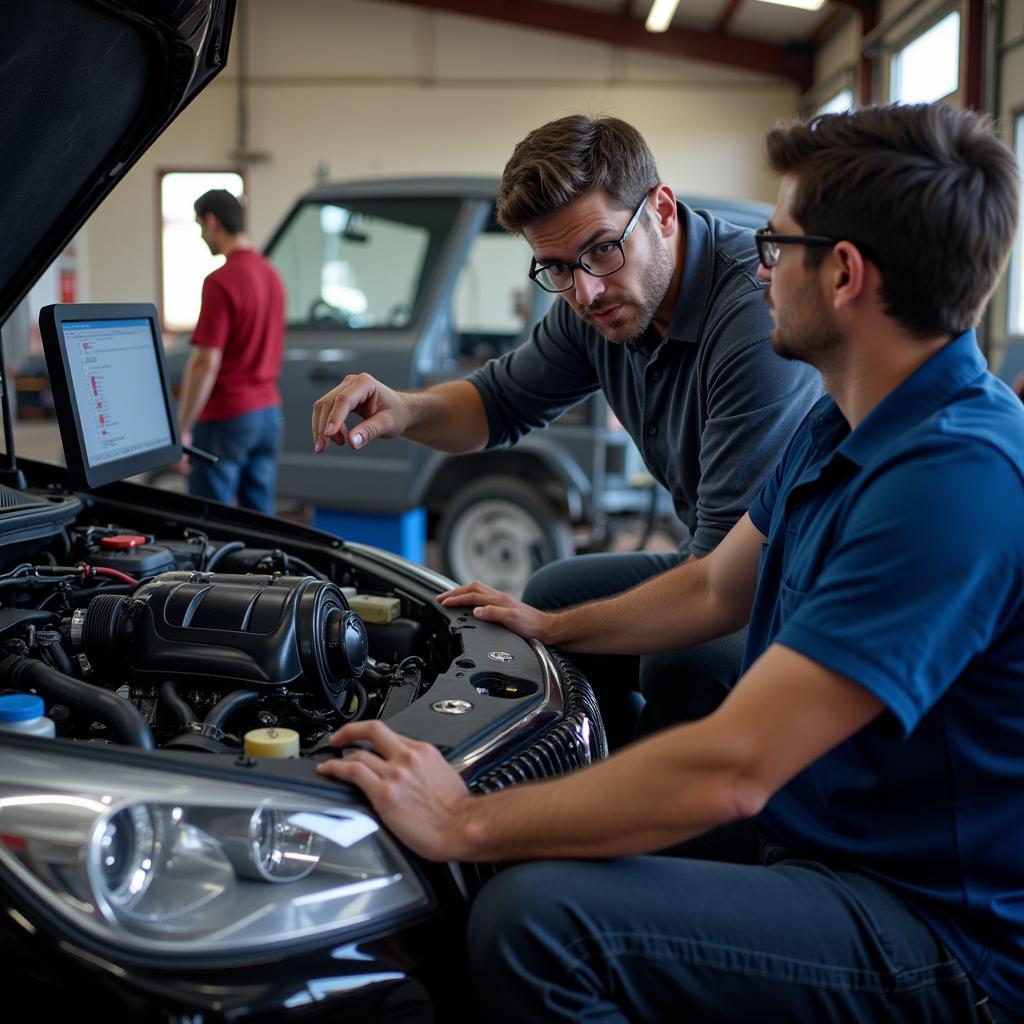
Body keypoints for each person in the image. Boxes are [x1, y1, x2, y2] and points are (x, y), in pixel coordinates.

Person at [316, 102, 1024, 1022]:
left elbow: (733, 766)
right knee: (535, 855)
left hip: (934, 928)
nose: (758, 263)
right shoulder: (845, 420)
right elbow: (711, 584)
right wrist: (546, 625)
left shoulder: (952, 484)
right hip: (821, 833)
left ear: (843, 272)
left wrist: (465, 819)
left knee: (536, 921)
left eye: (777, 245)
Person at [312, 115, 822, 746]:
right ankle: (597, 765)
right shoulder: (594, 301)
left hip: (790, 578)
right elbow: (497, 403)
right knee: (556, 589)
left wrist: (554, 629)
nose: (585, 290)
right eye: (554, 267)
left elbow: (722, 582)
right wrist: (406, 410)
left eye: (604, 249)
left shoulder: (753, 318)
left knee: (685, 660)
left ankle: (650, 827)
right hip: (714, 559)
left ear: (662, 209)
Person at [177, 189, 286, 514]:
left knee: (213, 522)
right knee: (261, 519)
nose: (201, 236)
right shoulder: (272, 274)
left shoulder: (220, 282)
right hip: (269, 415)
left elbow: (205, 363)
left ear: (212, 222)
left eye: (199, 227)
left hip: (227, 416)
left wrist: (183, 428)